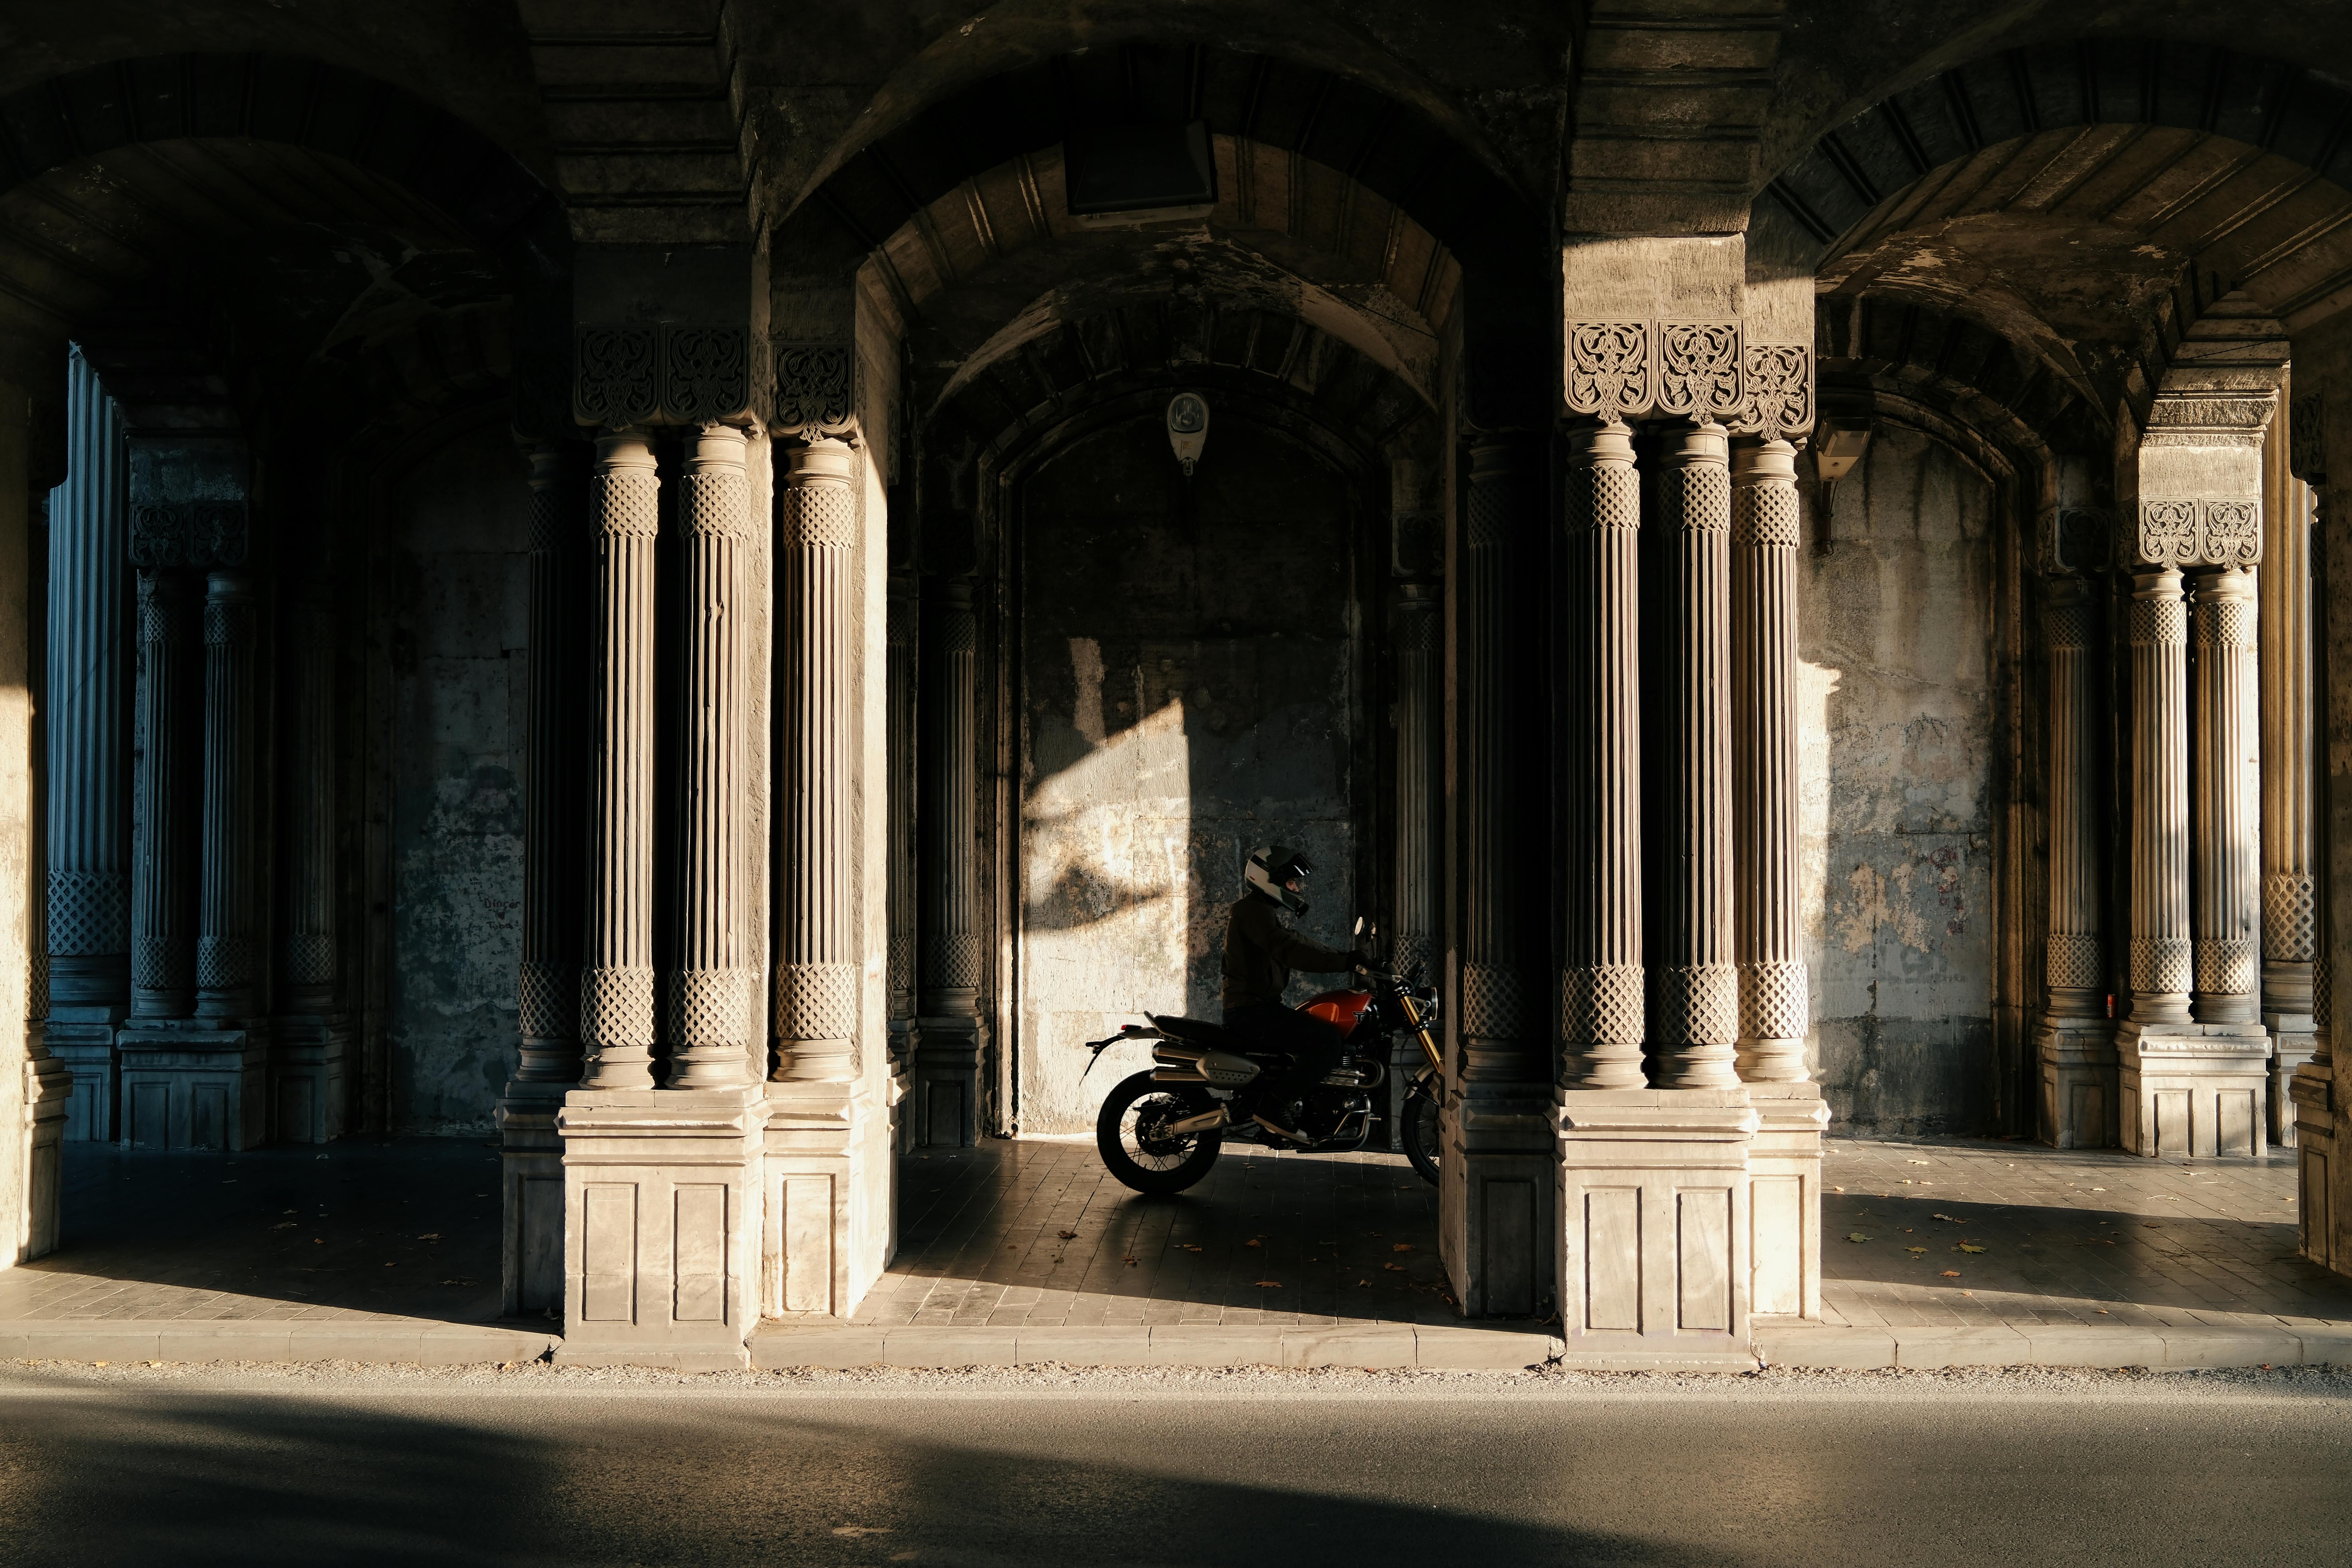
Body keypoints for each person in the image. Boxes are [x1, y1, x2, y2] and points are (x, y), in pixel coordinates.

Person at [1221, 844, 1359, 1143]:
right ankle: (1273, 1106)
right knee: (1326, 1042)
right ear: (1269, 879)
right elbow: (1290, 950)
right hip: (1250, 1011)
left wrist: (1349, 957)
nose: (1297, 888)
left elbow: (1298, 940)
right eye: (1292, 882)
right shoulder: (1251, 912)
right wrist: (1345, 962)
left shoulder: (1262, 913)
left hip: (1258, 1008)